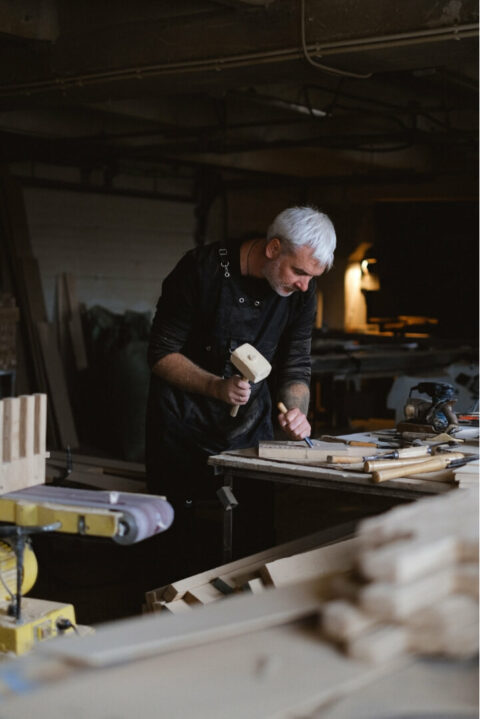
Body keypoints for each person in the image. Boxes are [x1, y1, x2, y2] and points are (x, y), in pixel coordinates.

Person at [145, 206, 336, 569]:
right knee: (176, 538)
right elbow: (160, 354)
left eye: (313, 277)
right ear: (272, 248)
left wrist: (297, 411)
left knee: (255, 533)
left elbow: (296, 363)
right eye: (299, 271)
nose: (304, 285)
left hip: (249, 423)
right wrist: (216, 387)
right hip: (181, 422)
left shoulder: (301, 292)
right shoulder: (200, 270)